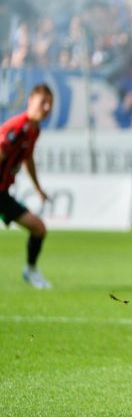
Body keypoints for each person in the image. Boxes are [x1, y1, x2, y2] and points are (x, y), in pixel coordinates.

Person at [0, 83, 55, 289]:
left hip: (2, 194)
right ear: (30, 101)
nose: (47, 107)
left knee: (39, 229)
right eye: (43, 102)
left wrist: (38, 189)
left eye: (50, 103)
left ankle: (31, 271)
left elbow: (28, 159)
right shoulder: (16, 128)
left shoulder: (33, 130)